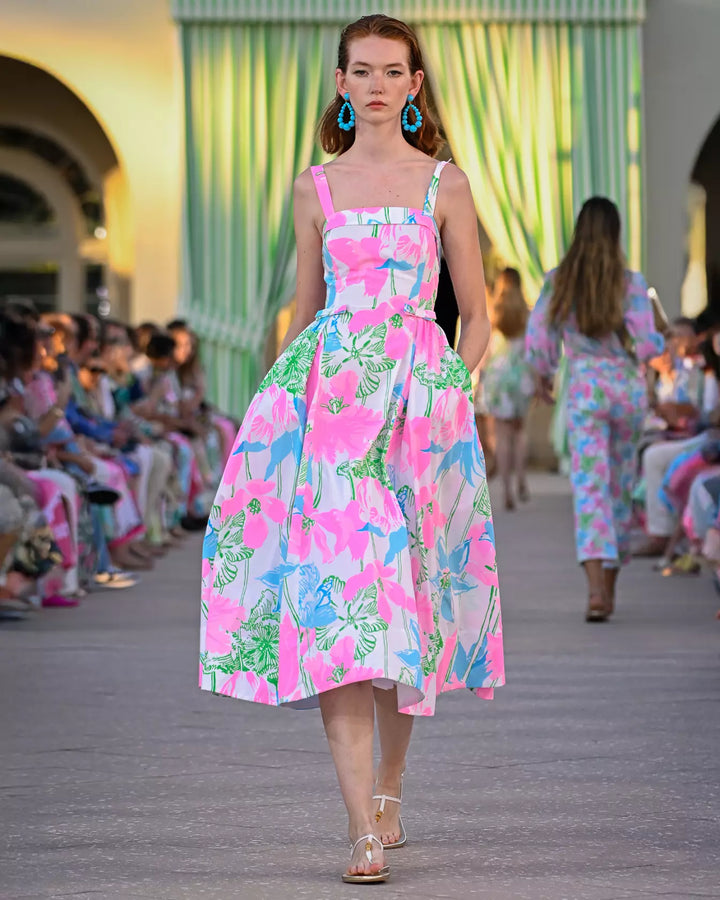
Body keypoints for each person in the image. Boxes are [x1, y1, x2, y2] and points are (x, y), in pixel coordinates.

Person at [199, 13, 504, 885]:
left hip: (418, 418)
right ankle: (359, 831)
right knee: (340, 616)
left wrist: (456, 382)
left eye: (392, 70)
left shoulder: (444, 183)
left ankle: (390, 793)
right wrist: (275, 421)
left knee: (404, 613)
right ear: (340, 83)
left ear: (414, 85)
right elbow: (302, 314)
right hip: (329, 421)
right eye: (360, 70)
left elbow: (476, 313)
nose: (375, 84)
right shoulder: (314, 189)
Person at [526, 197, 664, 622]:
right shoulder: (632, 283)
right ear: (615, 234)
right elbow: (646, 344)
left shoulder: (559, 281)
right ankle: (611, 587)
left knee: (590, 490)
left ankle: (594, 594)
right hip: (625, 391)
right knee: (620, 488)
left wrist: (544, 373)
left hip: (585, 391)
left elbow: (539, 339)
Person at [483, 267, 534, 510]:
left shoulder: (493, 312)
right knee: (520, 431)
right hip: (521, 375)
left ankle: (506, 490)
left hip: (498, 376)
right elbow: (533, 349)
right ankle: (522, 478)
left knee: (501, 436)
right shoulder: (527, 313)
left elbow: (486, 349)